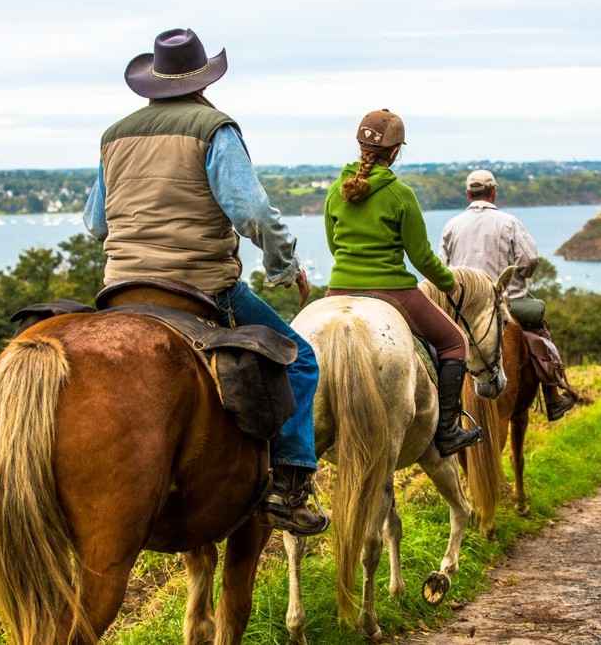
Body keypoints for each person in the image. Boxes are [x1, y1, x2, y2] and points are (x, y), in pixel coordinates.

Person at [82, 27, 327, 536]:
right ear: (204, 81)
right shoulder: (215, 128)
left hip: (120, 289)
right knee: (300, 358)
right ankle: (288, 486)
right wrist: (284, 266)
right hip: (200, 285)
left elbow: (96, 222)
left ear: (152, 81)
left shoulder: (114, 135)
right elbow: (252, 210)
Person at [323, 109, 483, 457]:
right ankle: (447, 430)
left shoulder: (337, 190)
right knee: (455, 342)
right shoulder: (400, 194)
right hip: (392, 291)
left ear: (360, 146)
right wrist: (448, 282)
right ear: (395, 152)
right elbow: (422, 256)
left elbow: (334, 245)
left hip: (338, 290)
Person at [439, 169, 578, 421]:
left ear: (468, 194)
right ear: (493, 192)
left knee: (435, 347)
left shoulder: (452, 225)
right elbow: (529, 261)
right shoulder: (509, 223)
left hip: (464, 310)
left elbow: (443, 268)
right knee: (541, 333)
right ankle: (553, 398)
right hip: (507, 304)